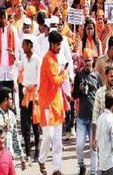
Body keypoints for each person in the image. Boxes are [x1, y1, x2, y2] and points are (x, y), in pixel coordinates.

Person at [38, 30, 69, 175]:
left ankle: (56, 168)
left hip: (57, 102)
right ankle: (41, 159)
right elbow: (55, 80)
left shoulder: (57, 58)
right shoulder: (47, 59)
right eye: (58, 45)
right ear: (51, 44)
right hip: (47, 103)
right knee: (48, 135)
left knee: (57, 139)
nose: (60, 47)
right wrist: (64, 74)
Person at [72, 48, 103, 175]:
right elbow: (74, 96)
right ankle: (82, 165)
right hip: (81, 118)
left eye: (89, 61)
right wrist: (79, 89)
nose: (87, 63)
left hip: (94, 119)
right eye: (85, 61)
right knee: (79, 146)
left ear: (93, 61)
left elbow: (102, 94)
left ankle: (93, 171)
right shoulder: (78, 76)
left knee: (93, 147)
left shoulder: (97, 76)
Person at [11, 35, 42, 162]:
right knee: (25, 125)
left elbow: (39, 79)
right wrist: (14, 58)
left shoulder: (37, 60)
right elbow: (19, 67)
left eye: (24, 45)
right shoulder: (24, 58)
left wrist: (38, 96)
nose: (22, 47)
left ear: (29, 45)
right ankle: (28, 154)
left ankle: (37, 153)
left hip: (34, 95)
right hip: (26, 93)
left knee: (35, 125)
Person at [92, 66, 113, 175]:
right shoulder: (99, 92)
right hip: (104, 138)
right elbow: (94, 117)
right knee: (105, 168)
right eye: (111, 76)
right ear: (106, 77)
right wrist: (93, 138)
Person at [0, 87, 26, 170]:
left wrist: (21, 156)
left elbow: (15, 137)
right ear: (5, 100)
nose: (12, 101)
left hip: (10, 159)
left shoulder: (12, 115)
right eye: (10, 99)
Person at [96, 91, 113, 175]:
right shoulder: (111, 119)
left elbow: (97, 139)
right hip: (110, 162)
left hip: (102, 162)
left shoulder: (100, 118)